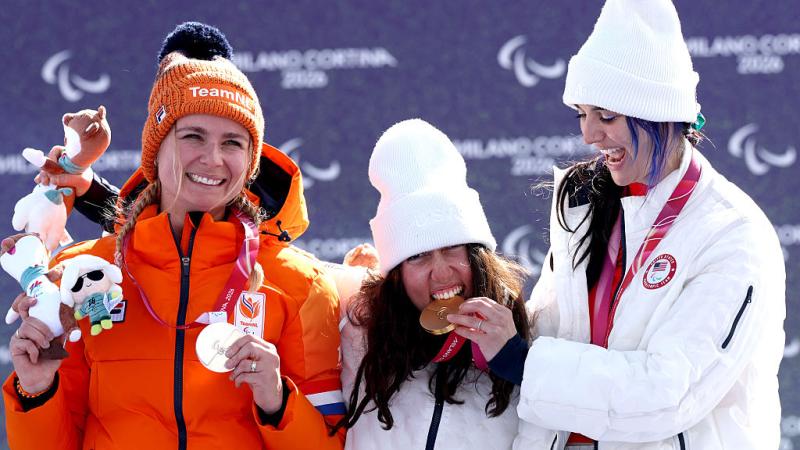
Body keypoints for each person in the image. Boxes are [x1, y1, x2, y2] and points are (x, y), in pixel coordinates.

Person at [3, 22, 345, 449]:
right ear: (155, 148)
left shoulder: (300, 285)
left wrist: (276, 404)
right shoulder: (82, 274)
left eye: (234, 143)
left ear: (252, 161)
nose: (213, 159)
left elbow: (331, 443)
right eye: (193, 136)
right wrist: (35, 390)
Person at [514, 1, 786, 449]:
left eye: (607, 116)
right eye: (582, 114)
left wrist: (520, 362)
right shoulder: (584, 210)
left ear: (658, 113)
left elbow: (665, 394)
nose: (588, 135)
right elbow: (551, 339)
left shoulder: (733, 235)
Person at [334, 119, 531, 450]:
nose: (441, 274)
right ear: (395, 273)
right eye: (417, 256)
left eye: (452, 247)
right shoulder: (358, 333)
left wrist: (518, 361)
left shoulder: (526, 334)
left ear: (478, 254)